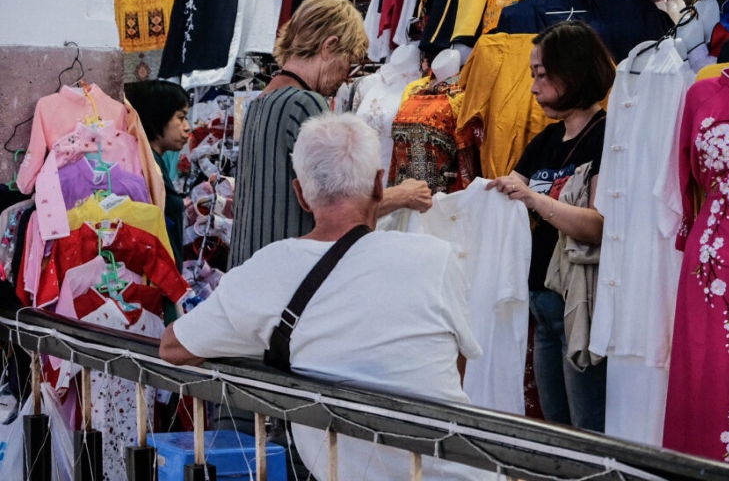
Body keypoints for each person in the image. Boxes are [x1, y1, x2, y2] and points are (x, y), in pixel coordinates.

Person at [161, 113, 491, 480]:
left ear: (300, 193)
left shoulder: (268, 270)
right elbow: (455, 366)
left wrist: (273, 340)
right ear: (381, 185)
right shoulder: (436, 257)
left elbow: (172, 347)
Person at [228, 0, 431, 271]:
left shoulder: (259, 105)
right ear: (329, 46)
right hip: (289, 277)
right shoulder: (304, 103)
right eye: (348, 61)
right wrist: (405, 195)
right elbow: (340, 210)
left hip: (252, 271)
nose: (348, 76)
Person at [487, 21, 613, 432]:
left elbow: (597, 225)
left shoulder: (606, 137)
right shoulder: (546, 139)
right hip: (541, 307)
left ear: (573, 72)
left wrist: (534, 199)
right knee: (555, 430)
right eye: (533, 76)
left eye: (542, 76)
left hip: (580, 305)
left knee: (588, 432)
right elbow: (515, 185)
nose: (534, 88)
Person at [124, 80, 192, 271]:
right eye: (181, 117)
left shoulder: (153, 162)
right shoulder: (147, 166)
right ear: (158, 117)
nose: (187, 127)